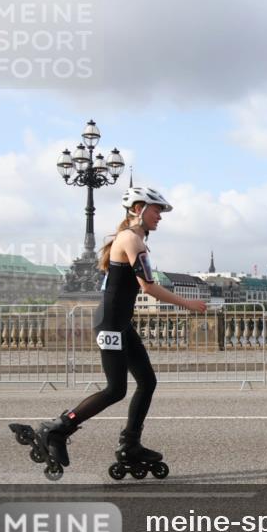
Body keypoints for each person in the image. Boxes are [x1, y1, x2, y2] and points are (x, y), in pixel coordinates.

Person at [17, 187, 206, 476]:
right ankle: (57, 429)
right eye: (157, 210)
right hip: (110, 323)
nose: (160, 217)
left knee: (147, 381)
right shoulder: (131, 239)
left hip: (120, 323)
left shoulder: (135, 239)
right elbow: (148, 287)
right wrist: (188, 304)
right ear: (138, 208)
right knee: (116, 389)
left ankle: (131, 444)